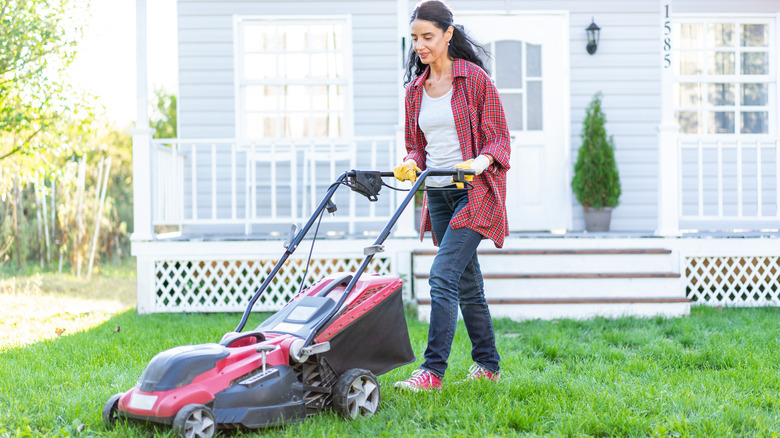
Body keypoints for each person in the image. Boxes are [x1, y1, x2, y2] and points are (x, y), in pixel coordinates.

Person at [393, 0, 511, 391]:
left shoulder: (474, 79)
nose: (420, 45)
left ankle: (432, 373)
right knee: (466, 284)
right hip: (438, 194)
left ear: (448, 34)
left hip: (473, 191)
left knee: (442, 276)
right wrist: (411, 161)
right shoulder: (415, 90)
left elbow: (499, 137)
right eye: (414, 38)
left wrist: (481, 161)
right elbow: (416, 145)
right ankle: (488, 365)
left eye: (427, 37)